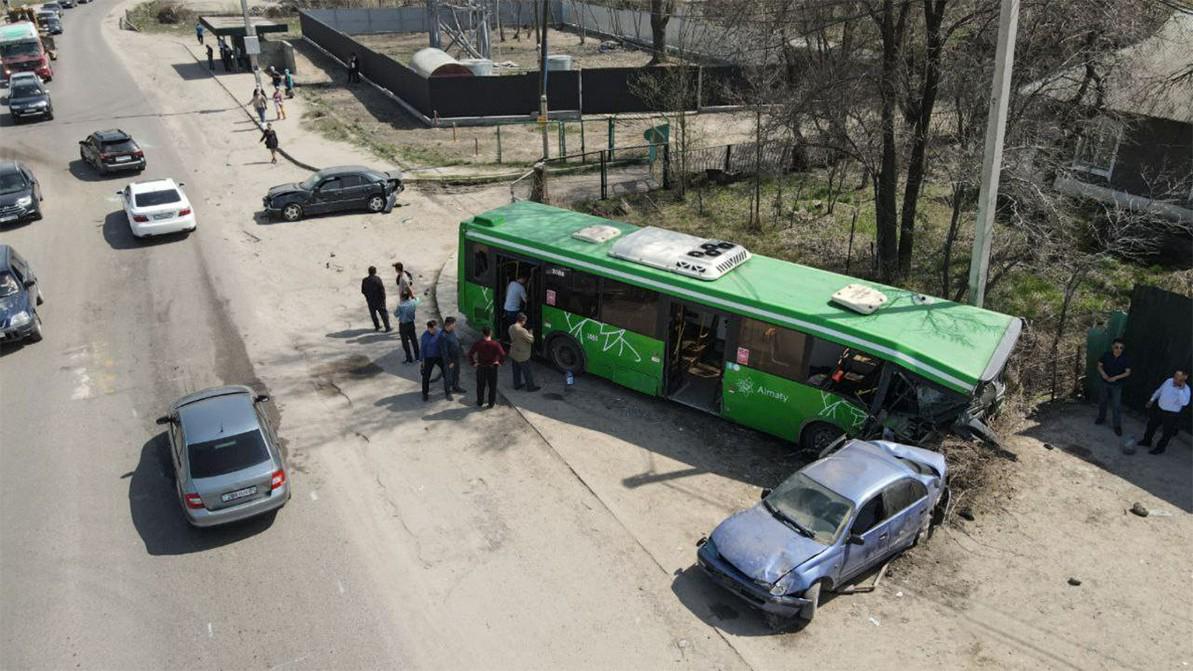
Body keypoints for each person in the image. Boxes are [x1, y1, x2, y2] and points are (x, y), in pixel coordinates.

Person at [1137, 369, 1190, 455]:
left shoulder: (1186, 389)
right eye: (1175, 376)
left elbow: (1184, 403)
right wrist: (1151, 400)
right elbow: (1159, 390)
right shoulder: (1169, 381)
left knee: (1167, 433)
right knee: (1151, 425)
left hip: (1172, 414)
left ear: (1184, 379)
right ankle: (1146, 441)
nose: (1175, 379)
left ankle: (1160, 448)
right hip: (1160, 409)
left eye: (1178, 378)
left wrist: (1180, 390)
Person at [1095, 338, 1132, 436]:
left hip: (1117, 385)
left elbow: (1127, 372)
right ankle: (1101, 418)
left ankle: (1117, 425)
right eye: (1116, 347)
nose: (1118, 349)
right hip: (1105, 382)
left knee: (1116, 405)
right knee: (1103, 401)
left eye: (1121, 348)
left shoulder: (1125, 358)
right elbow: (1099, 365)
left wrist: (1116, 378)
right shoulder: (1106, 355)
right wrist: (1103, 374)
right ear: (1112, 347)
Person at [469, 326, 506, 408]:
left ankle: (480, 402)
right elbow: (502, 354)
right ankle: (491, 403)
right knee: (492, 386)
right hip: (492, 367)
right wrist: (500, 362)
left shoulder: (478, 343)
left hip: (481, 367)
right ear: (491, 333)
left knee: (480, 386)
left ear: (482, 333)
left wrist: (473, 363)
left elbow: (470, 354)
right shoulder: (496, 344)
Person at [419, 320, 451, 401]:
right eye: (432, 329)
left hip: (440, 357)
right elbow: (422, 349)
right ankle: (425, 393)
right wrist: (421, 361)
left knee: (446, 373)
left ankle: (448, 392)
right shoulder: (424, 337)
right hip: (429, 358)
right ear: (428, 328)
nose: (434, 331)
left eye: (435, 329)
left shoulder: (440, 332)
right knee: (426, 376)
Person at [508, 312, 540, 392]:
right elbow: (531, 340)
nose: (525, 323)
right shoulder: (522, 331)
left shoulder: (511, 327)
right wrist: (530, 333)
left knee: (516, 370)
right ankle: (530, 387)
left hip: (514, 352)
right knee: (527, 371)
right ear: (522, 321)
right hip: (523, 354)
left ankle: (517, 385)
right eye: (525, 321)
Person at [440, 317, 466, 395]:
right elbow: (444, 351)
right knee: (448, 376)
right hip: (450, 360)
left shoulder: (452, 331)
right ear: (449, 324)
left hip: (456, 358)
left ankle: (456, 386)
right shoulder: (443, 336)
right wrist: (449, 362)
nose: (455, 325)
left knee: (456, 373)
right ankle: (447, 391)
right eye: (454, 324)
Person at [361, 266, 390, 332]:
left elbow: (363, 291)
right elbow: (381, 289)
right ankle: (387, 327)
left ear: (369, 272)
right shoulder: (377, 279)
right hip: (379, 300)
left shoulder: (364, 280)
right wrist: (383, 297)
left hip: (370, 300)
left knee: (373, 314)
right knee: (383, 314)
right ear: (375, 271)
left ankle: (377, 326)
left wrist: (367, 296)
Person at [395, 290, 421, 363]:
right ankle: (417, 357)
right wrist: (413, 297)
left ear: (402, 297)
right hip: (411, 323)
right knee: (414, 340)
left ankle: (409, 358)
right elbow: (418, 300)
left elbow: (396, 314)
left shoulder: (400, 306)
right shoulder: (413, 302)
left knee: (405, 342)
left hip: (403, 325)